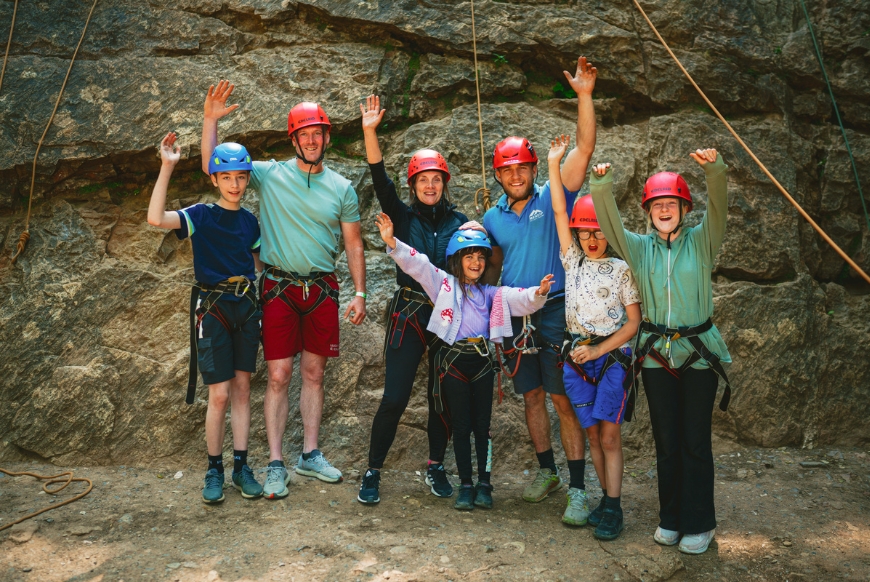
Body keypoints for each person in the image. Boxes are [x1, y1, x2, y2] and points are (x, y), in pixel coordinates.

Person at [201, 81, 368, 500]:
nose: (311, 140)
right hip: (278, 287)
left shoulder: (342, 188)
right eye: (303, 134)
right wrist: (210, 122)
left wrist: (361, 292)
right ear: (293, 139)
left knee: (314, 373)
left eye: (317, 133)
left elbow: (353, 243)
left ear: (326, 137)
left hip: (322, 288)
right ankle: (276, 461)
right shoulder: (269, 174)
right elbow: (215, 167)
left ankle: (309, 454)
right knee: (278, 374)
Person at [590, 148, 732, 554]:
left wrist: (715, 172)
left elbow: (719, 210)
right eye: (657, 204)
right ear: (649, 212)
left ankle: (699, 522)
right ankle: (670, 518)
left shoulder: (702, 242)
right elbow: (611, 226)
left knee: (695, 442)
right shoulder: (639, 249)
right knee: (667, 441)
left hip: (699, 353)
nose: (664, 209)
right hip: (656, 355)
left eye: (671, 203)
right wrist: (601, 184)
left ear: (683, 208)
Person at [482, 56, 598, 523]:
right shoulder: (492, 218)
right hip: (515, 314)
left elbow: (585, 150)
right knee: (530, 395)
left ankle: (577, 487)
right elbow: (488, 271)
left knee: (561, 397)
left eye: (522, 168)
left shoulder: (554, 195)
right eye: (508, 170)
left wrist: (584, 97)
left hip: (556, 310)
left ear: (533, 169)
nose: (516, 176)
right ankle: (547, 470)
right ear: (498, 175)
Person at [375, 213, 553, 510]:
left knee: (482, 427)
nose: (476, 262)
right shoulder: (443, 284)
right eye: (468, 255)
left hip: (482, 363)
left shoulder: (491, 293)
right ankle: (466, 484)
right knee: (460, 425)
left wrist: (538, 293)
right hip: (453, 364)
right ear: (456, 259)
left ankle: (484, 484)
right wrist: (392, 242)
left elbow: (518, 297)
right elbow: (418, 265)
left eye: (481, 257)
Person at [357, 95, 484, 505]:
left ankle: (435, 465)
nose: (430, 185)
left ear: (445, 183)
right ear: (413, 185)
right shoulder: (402, 215)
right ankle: (373, 470)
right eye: (422, 180)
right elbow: (379, 178)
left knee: (440, 396)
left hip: (448, 313)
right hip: (410, 312)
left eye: (436, 179)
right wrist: (369, 131)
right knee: (395, 395)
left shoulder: (460, 222)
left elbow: (477, 262)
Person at [147, 133, 264, 503]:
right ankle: (214, 468)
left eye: (241, 177)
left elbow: (257, 265)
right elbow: (155, 218)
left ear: (247, 180)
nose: (234, 184)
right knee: (219, 395)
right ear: (214, 179)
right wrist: (167, 166)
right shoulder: (201, 215)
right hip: (212, 308)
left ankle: (241, 467)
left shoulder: (250, 222)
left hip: (245, 307)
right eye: (227, 177)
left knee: (243, 390)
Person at [547, 135, 641, 538]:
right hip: (575, 358)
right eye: (584, 231)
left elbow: (634, 323)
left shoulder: (622, 268)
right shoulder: (573, 262)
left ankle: (615, 507)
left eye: (598, 231)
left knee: (609, 433)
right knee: (590, 432)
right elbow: (556, 209)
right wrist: (553, 164)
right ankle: (605, 498)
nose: (591, 238)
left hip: (610, 357)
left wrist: (598, 349)